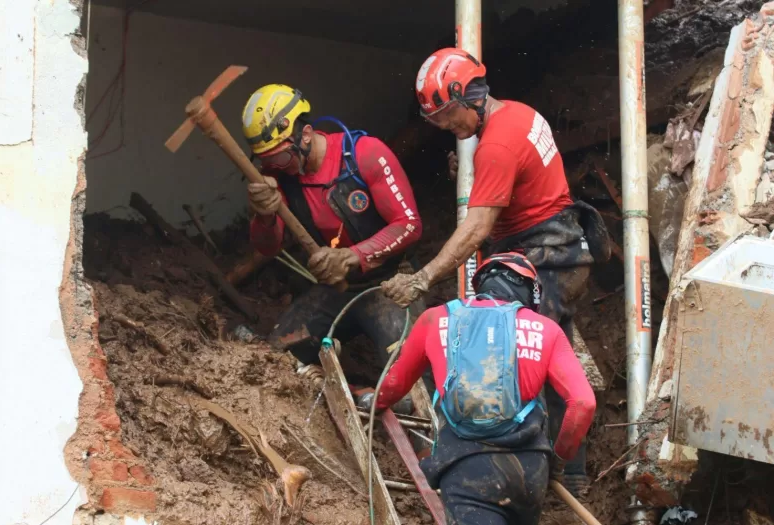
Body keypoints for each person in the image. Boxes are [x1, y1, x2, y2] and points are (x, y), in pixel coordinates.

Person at [381, 47, 610, 496]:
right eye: (438, 120)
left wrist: (423, 277)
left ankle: (545, 470)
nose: (447, 127)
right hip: (564, 250)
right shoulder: (520, 116)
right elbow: (518, 183)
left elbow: (479, 226)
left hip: (546, 257)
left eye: (448, 115)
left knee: (525, 354)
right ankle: (566, 468)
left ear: (469, 95)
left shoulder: (497, 146)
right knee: (552, 349)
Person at [361, 253, 596, 525]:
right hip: (530, 472)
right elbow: (583, 403)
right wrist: (559, 458)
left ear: (481, 283)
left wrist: (374, 402)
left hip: (466, 467)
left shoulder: (435, 319)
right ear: (530, 291)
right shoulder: (547, 329)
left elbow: (395, 383)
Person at [241, 84, 423, 369]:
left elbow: (409, 225)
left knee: (410, 377)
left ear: (306, 135)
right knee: (274, 360)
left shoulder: (365, 154)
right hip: (335, 290)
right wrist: (262, 216)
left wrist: (353, 256)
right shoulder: (279, 176)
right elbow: (268, 246)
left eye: (281, 156)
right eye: (267, 159)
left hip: (390, 282)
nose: (277, 165)